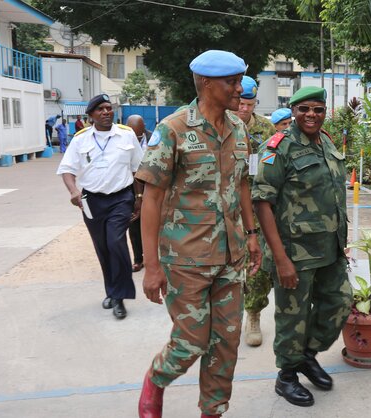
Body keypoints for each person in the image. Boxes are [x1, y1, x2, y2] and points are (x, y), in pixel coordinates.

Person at [136, 50, 261, 418]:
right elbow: (151, 198)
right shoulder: (173, 129)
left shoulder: (238, 129)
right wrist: (152, 266)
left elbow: (242, 186)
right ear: (206, 83)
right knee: (192, 340)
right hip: (186, 258)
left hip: (231, 256)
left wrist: (251, 235)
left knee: (226, 345)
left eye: (240, 81)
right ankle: (156, 380)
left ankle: (213, 411)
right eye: (231, 82)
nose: (239, 89)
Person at [252, 86, 351, 407]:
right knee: (292, 318)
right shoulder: (277, 147)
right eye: (305, 109)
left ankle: (307, 356)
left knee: (339, 303)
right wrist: (280, 259)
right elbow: (262, 202)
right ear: (293, 110)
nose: (312, 115)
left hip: (330, 249)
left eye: (318, 109)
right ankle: (287, 376)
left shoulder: (327, 142)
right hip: (294, 253)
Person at [56, 94, 143, 320]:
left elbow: (138, 169)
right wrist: (73, 191)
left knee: (116, 242)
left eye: (109, 108)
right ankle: (111, 291)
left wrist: (139, 197)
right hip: (91, 200)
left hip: (121, 198)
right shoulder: (80, 139)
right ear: (91, 115)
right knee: (102, 246)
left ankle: (120, 297)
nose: (106, 112)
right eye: (100, 109)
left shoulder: (126, 135)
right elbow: (67, 170)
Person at [234, 75, 276, 348]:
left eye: (250, 104)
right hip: (225, 209)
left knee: (257, 269)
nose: (245, 109)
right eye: (241, 103)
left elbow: (273, 166)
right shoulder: (217, 125)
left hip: (257, 207)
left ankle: (253, 315)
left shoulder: (268, 129)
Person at [125, 115, 152, 272]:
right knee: (134, 223)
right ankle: (138, 259)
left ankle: (154, 256)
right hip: (131, 186)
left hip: (151, 185)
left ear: (144, 128)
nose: (136, 138)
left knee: (154, 221)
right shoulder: (122, 139)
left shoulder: (155, 137)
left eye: (139, 135)